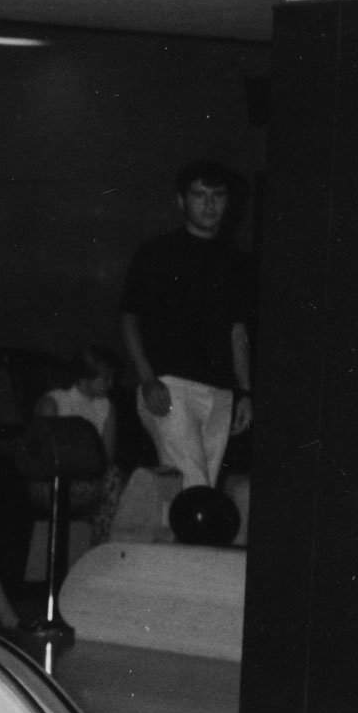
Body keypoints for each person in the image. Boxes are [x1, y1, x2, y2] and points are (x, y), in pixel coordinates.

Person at [117, 158, 254, 493]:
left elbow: (238, 332)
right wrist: (148, 379)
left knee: (191, 491)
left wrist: (245, 392)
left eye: (217, 195)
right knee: (196, 487)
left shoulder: (238, 262)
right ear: (181, 201)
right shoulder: (157, 252)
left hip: (219, 393)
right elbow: (128, 318)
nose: (209, 204)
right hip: (170, 387)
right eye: (199, 195)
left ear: (228, 201)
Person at [33, 344, 126, 573]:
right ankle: (100, 563)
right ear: (86, 378)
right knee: (113, 482)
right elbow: (41, 455)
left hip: (86, 484)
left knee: (119, 480)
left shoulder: (106, 407)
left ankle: (101, 559)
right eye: (106, 378)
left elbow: (107, 458)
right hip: (50, 485)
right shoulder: (55, 401)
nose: (111, 383)